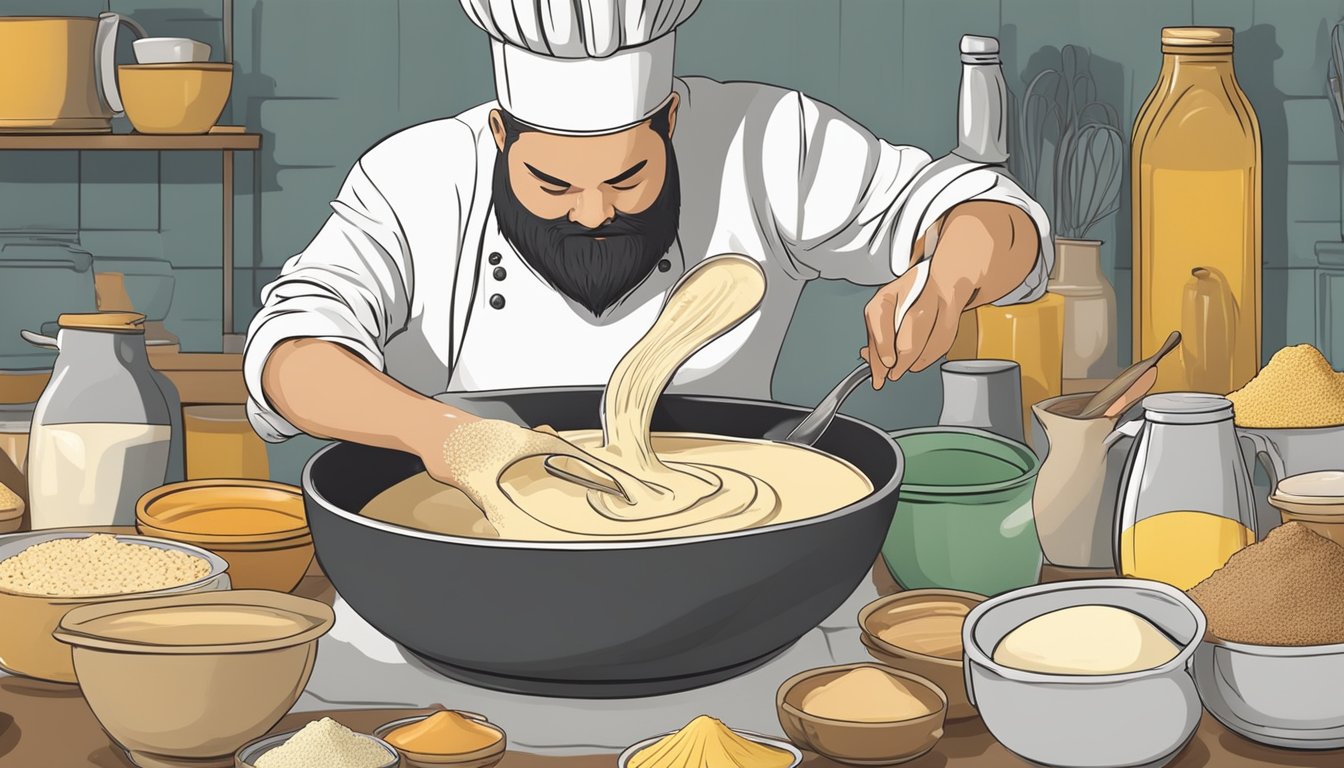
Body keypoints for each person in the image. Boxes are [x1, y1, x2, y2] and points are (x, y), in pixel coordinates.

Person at [244, 0, 1052, 488]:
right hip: (467, 567)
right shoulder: (414, 178)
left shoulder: (764, 143)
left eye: (627, 177)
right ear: (499, 135)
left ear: (669, 119)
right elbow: (290, 353)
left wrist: (945, 281)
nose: (594, 213)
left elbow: (990, 214)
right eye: (553, 186)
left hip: (729, 564)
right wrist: (441, 435)